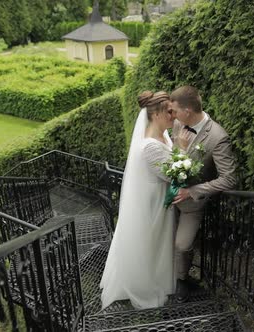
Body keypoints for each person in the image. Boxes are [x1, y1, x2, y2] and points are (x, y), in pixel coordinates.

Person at [100, 91, 189, 309]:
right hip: (153, 203)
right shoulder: (149, 145)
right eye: (169, 111)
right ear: (156, 113)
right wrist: (184, 151)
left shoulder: (163, 136)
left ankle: (158, 277)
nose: (173, 115)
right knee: (152, 242)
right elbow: (174, 175)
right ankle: (144, 284)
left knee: (159, 242)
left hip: (158, 198)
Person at [169, 86, 237, 301]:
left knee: (182, 244)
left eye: (175, 111)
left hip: (192, 203)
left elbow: (230, 178)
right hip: (167, 198)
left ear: (187, 111)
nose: (172, 115)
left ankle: (181, 280)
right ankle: (168, 279)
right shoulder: (178, 124)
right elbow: (171, 157)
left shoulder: (217, 136)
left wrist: (193, 191)